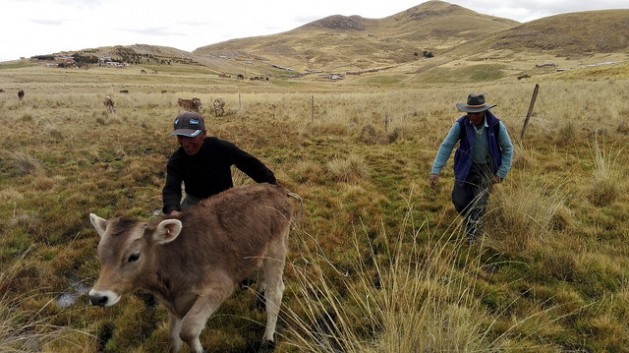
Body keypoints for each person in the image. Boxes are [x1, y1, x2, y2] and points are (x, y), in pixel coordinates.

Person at [429, 93, 513, 243]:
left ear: (484, 112)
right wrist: (436, 170)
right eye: (469, 113)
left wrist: (501, 173)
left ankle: (473, 236)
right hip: (466, 168)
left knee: (479, 203)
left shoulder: (496, 126)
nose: (472, 117)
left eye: (476, 114)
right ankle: (472, 222)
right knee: (459, 200)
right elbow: (446, 146)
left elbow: (508, 149)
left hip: (487, 169)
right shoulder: (461, 125)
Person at [162, 111, 277, 216]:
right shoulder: (177, 160)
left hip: (226, 200)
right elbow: (172, 188)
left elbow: (249, 164)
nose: (185, 143)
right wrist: (172, 210)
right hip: (194, 203)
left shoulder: (221, 148)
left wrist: (272, 184)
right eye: (181, 137)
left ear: (204, 134)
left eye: (190, 137)